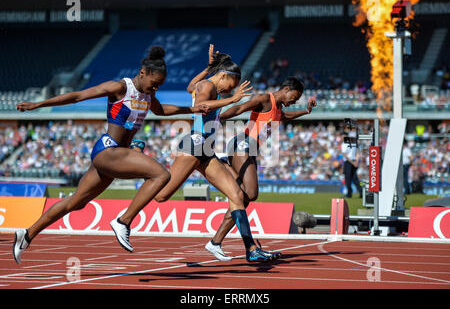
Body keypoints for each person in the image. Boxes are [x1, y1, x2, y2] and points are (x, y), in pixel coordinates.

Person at [12, 46, 209, 264]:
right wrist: (38, 105)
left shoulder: (148, 94)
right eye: (155, 83)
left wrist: (191, 110)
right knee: (161, 175)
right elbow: (77, 96)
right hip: (109, 149)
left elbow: (161, 111)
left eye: (159, 85)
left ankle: (27, 234)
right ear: (143, 73)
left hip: (116, 155)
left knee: (76, 201)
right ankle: (123, 221)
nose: (156, 88)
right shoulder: (119, 87)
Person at [154, 45, 279, 262]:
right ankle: (142, 174)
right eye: (233, 84)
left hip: (206, 150)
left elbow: (190, 87)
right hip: (194, 145)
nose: (234, 89)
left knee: (238, 196)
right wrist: (232, 99)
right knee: (161, 195)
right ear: (224, 76)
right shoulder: (208, 89)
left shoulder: (209, 86)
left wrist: (208, 68)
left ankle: (250, 250)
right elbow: (201, 103)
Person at [200, 76, 316, 261]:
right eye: (295, 96)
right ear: (286, 89)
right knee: (251, 193)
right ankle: (222, 163)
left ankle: (215, 242)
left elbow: (285, 116)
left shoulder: (278, 109)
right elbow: (239, 108)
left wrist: (305, 111)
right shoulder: (264, 99)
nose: (295, 101)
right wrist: (217, 116)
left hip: (249, 150)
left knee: (242, 200)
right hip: (241, 145)